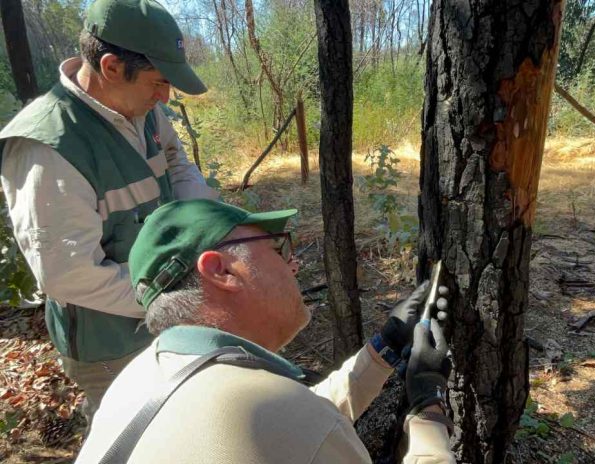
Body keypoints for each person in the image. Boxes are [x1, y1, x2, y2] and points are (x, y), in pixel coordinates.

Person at [76, 199, 455, 463]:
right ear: (221, 271)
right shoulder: (287, 419)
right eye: (277, 248)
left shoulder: (138, 379)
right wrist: (429, 410)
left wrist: (383, 348)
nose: (292, 265)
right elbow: (301, 426)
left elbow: (294, 422)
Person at [0, 0, 218, 421]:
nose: (165, 96)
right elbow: (70, 275)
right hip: (109, 347)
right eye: (157, 82)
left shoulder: (145, 112)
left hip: (161, 314)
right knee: (130, 434)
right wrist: (175, 296)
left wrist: (209, 227)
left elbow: (176, 164)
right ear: (112, 67)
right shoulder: (48, 148)